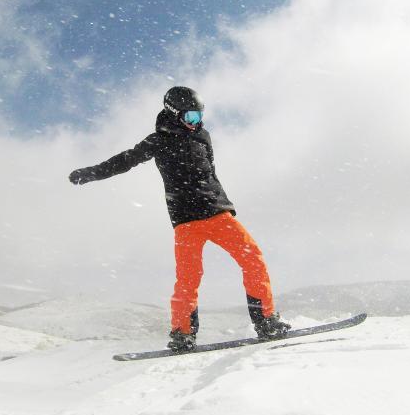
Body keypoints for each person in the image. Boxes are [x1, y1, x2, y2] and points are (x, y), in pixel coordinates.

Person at [68, 86, 291, 351]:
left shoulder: (203, 136)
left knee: (252, 258)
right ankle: (182, 334)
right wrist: (91, 173)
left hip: (218, 214)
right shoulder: (157, 141)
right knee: (188, 280)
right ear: (174, 113)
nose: (196, 122)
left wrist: (220, 201)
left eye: (199, 116)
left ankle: (266, 322)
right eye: (191, 116)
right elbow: (125, 160)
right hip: (186, 222)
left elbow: (210, 173)